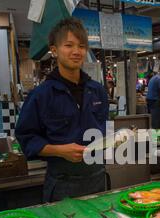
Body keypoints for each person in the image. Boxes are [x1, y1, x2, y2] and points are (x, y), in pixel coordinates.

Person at [15, 18, 109, 203]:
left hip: (97, 177)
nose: (76, 51)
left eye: (81, 46)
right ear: (54, 50)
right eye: (69, 45)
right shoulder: (41, 95)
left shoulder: (97, 90)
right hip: (63, 184)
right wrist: (59, 150)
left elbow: (104, 128)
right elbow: (26, 138)